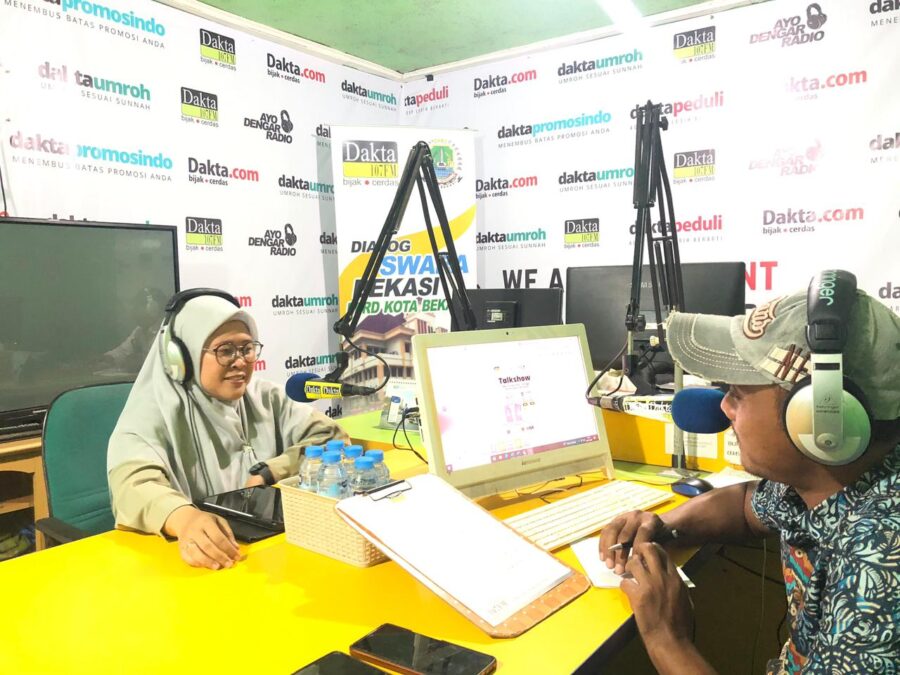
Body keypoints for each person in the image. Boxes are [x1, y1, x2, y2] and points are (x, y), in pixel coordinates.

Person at [599, 272, 900, 674]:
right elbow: (745, 506)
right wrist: (664, 525)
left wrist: (666, 638)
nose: (724, 407)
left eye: (737, 393)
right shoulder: (824, 481)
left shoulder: (880, 561)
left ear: (821, 417)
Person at [108, 290, 349, 571]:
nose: (240, 361)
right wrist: (184, 518)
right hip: (193, 565)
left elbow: (331, 438)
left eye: (247, 348)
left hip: (265, 555)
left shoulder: (264, 396)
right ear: (181, 358)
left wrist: (271, 470)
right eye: (225, 351)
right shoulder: (150, 414)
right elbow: (132, 486)